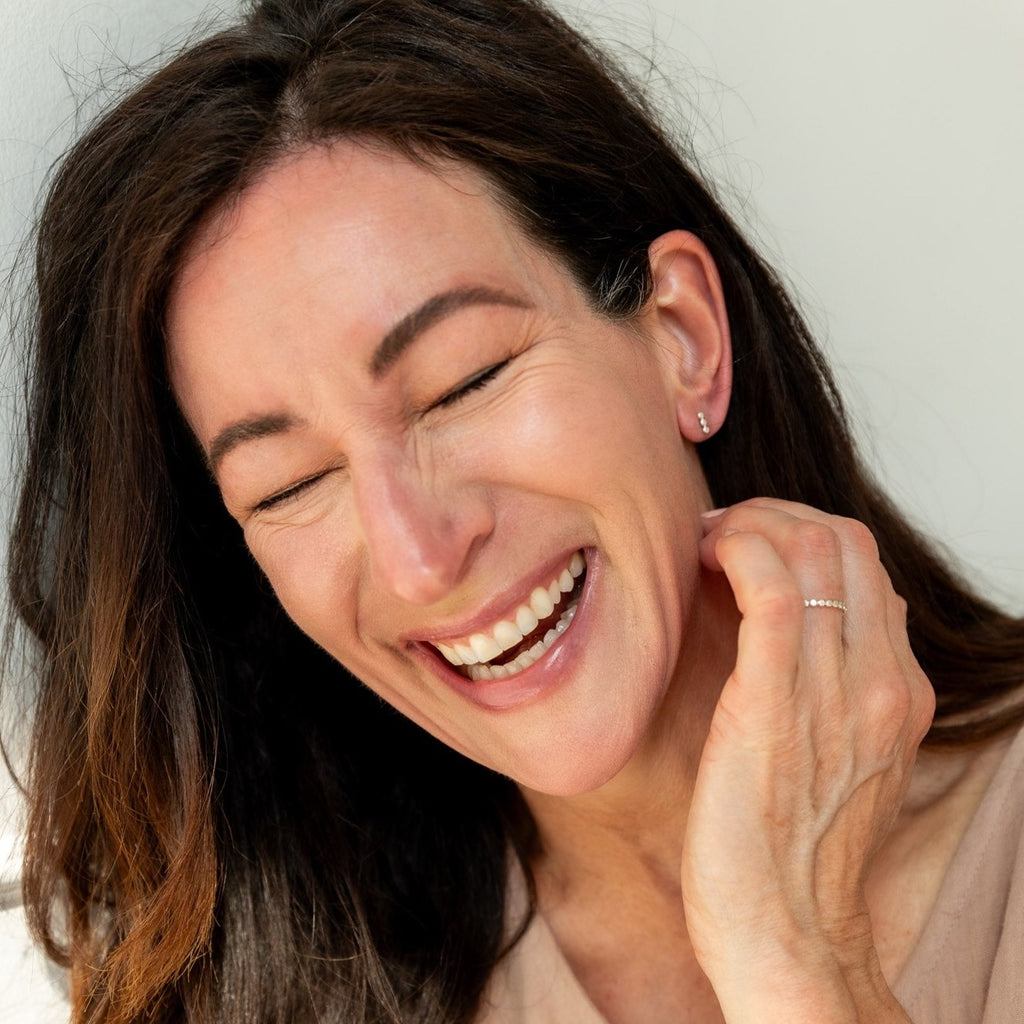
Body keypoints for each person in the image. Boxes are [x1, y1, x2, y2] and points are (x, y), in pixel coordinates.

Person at [4, 0, 1024, 1021]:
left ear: (683, 333)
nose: (418, 558)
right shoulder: (269, 992)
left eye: (462, 381)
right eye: (288, 486)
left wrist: (796, 957)